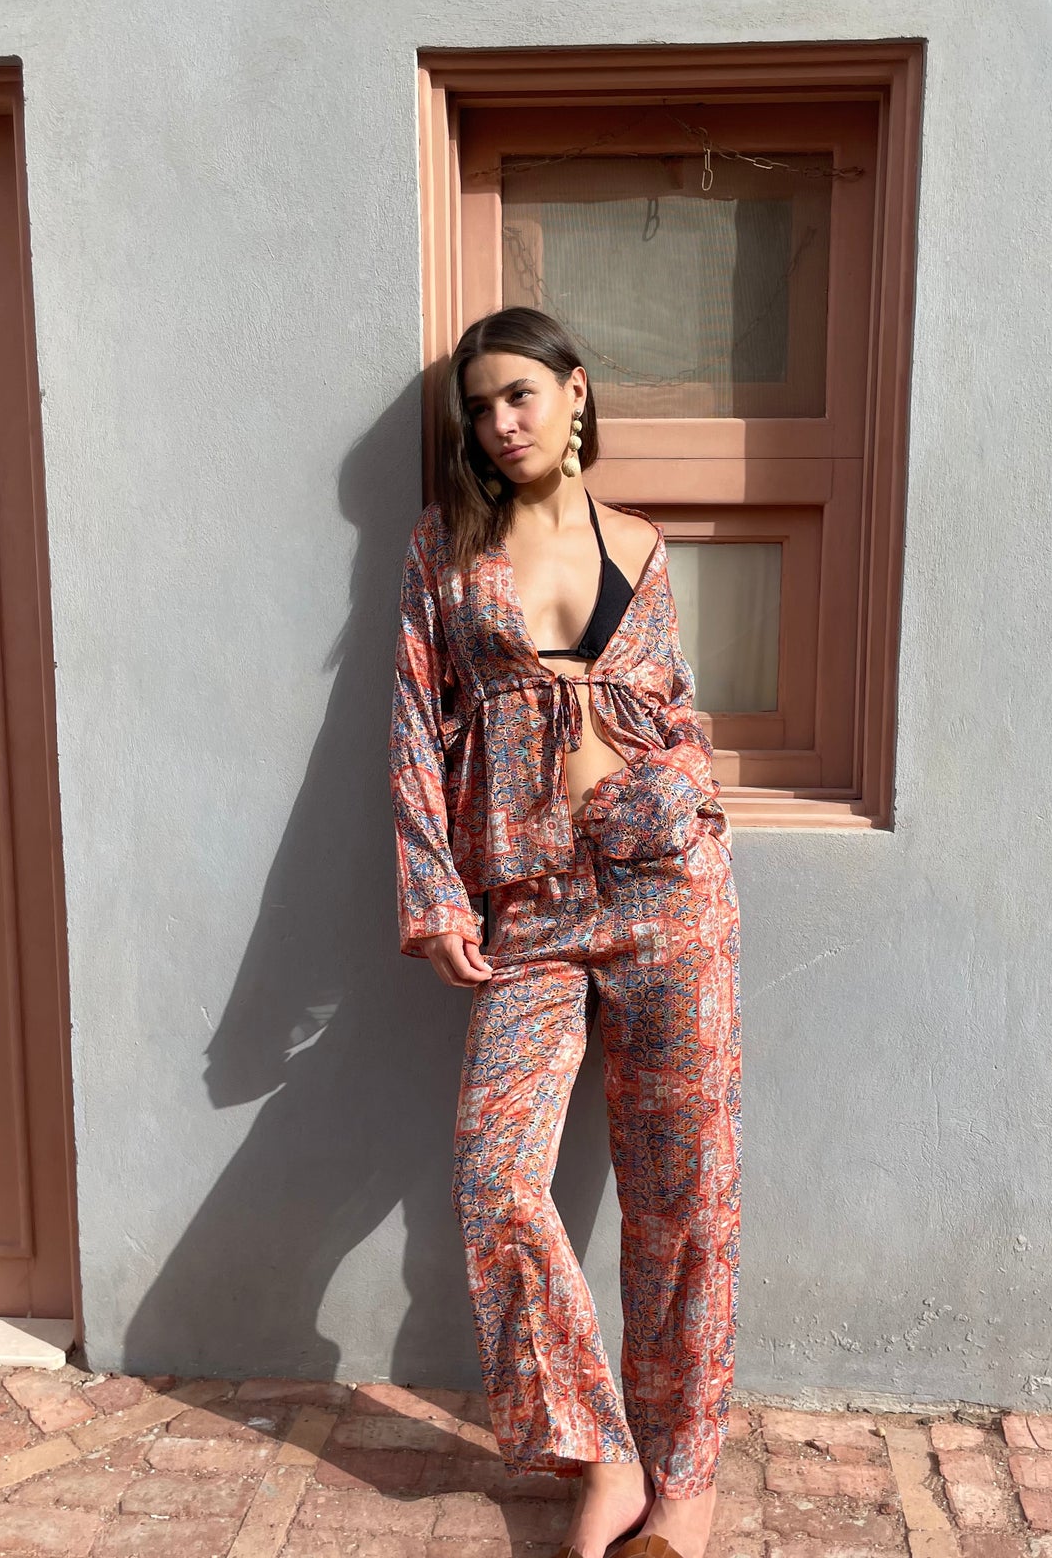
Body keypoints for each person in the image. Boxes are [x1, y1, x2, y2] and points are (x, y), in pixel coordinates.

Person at [389, 306, 742, 1558]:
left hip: (666, 888)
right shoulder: (442, 553)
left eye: (520, 395)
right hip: (529, 906)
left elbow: (669, 704)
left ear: (574, 393)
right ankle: (602, 1454)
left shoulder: (637, 545)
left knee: (683, 1194)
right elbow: (413, 727)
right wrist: (435, 897)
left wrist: (680, 791)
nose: (501, 423)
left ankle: (685, 1486)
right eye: (480, 406)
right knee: (493, 1180)